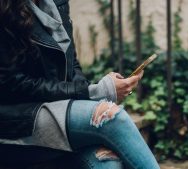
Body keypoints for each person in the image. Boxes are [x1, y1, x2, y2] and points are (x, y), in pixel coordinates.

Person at [0, 0, 160, 168]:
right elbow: (14, 85)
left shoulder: (56, 4)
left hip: (58, 105)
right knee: (109, 117)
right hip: (19, 115)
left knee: (107, 163)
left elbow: (71, 64)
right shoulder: (6, 9)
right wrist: (94, 92)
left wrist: (88, 92)